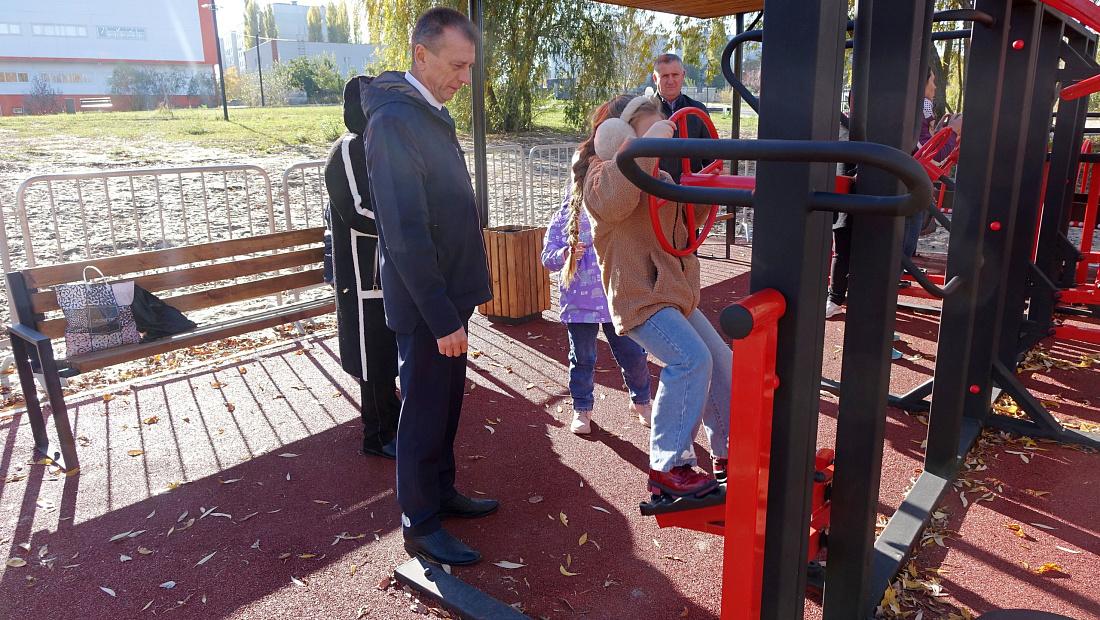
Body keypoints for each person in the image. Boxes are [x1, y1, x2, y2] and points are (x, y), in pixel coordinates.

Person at [361, 7, 494, 567]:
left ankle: (441, 493)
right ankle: (419, 523)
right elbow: (405, 231)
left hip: (446, 295)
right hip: (426, 305)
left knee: (445, 405)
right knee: (421, 413)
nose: (465, 78)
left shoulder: (427, 112)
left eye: (470, 66)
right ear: (421, 55)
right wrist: (441, 315)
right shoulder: (394, 120)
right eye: (457, 65)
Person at [577, 93, 731, 498]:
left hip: (672, 294)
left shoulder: (659, 178)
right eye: (650, 136)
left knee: (720, 361)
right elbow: (615, 204)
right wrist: (640, 152)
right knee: (690, 359)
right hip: (639, 297)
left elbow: (684, 229)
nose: (659, 145)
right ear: (619, 137)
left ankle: (727, 453)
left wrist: (707, 188)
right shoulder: (601, 177)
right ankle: (668, 466)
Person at [325, 75, 401, 460]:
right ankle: (378, 434)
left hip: (388, 269)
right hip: (362, 274)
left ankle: (393, 417)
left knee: (387, 350)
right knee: (372, 355)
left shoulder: (378, 145)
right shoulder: (348, 148)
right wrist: (408, 226)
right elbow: (357, 210)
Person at [541, 183, 652, 435]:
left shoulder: (614, 211)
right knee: (582, 359)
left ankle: (642, 401)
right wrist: (565, 254)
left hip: (616, 299)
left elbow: (635, 242)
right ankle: (582, 409)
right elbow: (547, 257)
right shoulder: (563, 217)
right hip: (579, 305)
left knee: (633, 354)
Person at [651, 53, 713, 183]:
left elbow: (710, 155)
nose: (670, 81)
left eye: (675, 75)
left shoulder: (698, 110)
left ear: (683, 75)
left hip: (691, 188)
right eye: (665, 76)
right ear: (655, 78)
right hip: (657, 188)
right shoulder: (645, 112)